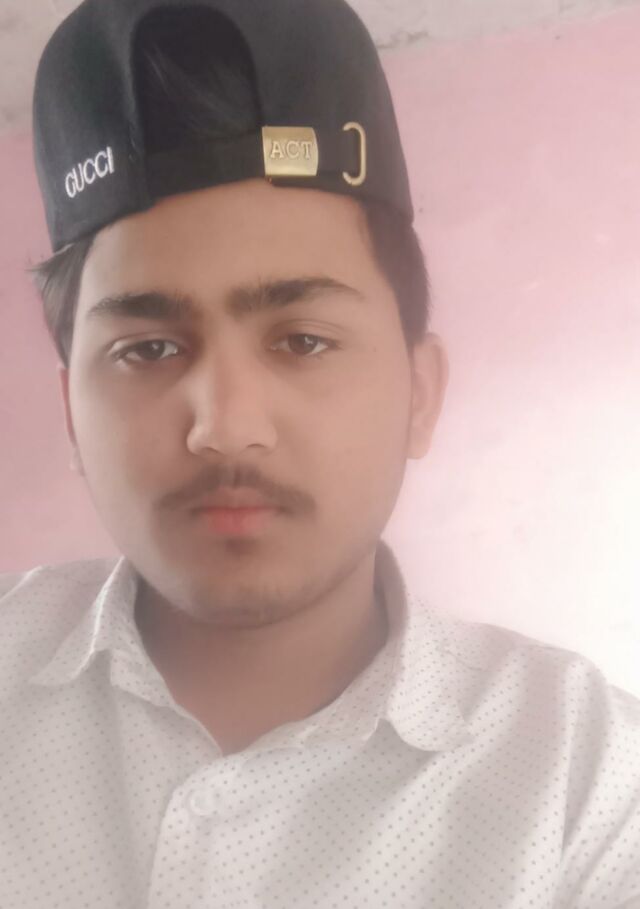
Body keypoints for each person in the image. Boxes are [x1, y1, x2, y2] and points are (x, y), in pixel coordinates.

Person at [1, 0, 638, 906]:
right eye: (149, 348)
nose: (225, 426)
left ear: (420, 394)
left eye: (302, 340)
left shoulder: (588, 785)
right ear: (70, 413)